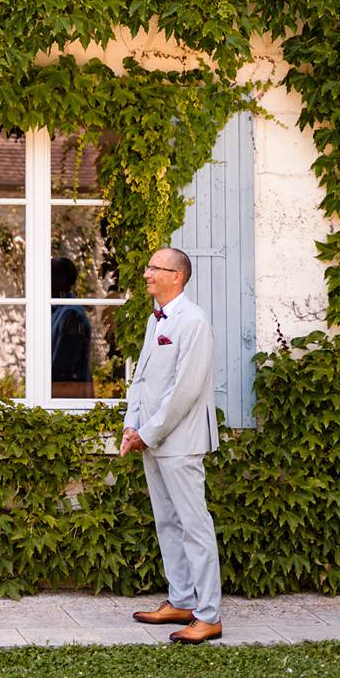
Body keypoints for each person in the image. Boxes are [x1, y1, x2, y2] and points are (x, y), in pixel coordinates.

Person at [117, 247, 223, 644]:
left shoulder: (193, 321)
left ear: (176, 276)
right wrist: (133, 424)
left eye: (154, 268)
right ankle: (181, 600)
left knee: (195, 525)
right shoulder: (154, 319)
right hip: (153, 437)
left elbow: (185, 390)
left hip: (180, 440)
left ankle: (209, 614)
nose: (146, 274)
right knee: (167, 522)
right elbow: (143, 378)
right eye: (147, 267)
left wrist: (150, 431)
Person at [49, 257, 92, 383]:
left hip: (67, 395)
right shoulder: (57, 311)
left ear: (61, 280)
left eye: (49, 275)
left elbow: (64, 368)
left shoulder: (71, 315)